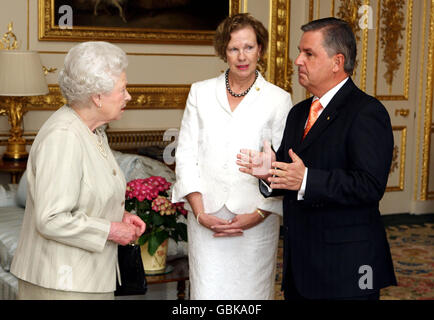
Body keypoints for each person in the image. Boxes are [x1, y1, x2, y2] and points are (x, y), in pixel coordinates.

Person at [237, 17, 397, 300]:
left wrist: (307, 179)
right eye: (300, 52)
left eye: (308, 54)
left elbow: (370, 185)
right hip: (302, 265)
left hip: (348, 266)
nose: (298, 60)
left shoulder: (367, 112)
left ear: (337, 62)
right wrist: (269, 174)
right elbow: (291, 175)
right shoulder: (299, 112)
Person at [10, 41, 146, 300]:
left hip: (82, 279)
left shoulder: (92, 130)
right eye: (122, 89)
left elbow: (85, 193)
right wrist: (111, 229)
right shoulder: (64, 136)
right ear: (97, 97)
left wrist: (119, 215)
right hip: (63, 284)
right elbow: (51, 218)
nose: (128, 96)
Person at [171, 13, 292, 299]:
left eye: (249, 47)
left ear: (260, 49)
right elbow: (186, 154)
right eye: (234, 48)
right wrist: (200, 213)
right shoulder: (200, 93)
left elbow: (281, 166)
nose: (242, 56)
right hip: (206, 218)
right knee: (207, 293)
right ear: (223, 51)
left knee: (250, 295)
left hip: (255, 220)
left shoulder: (279, 99)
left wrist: (260, 213)